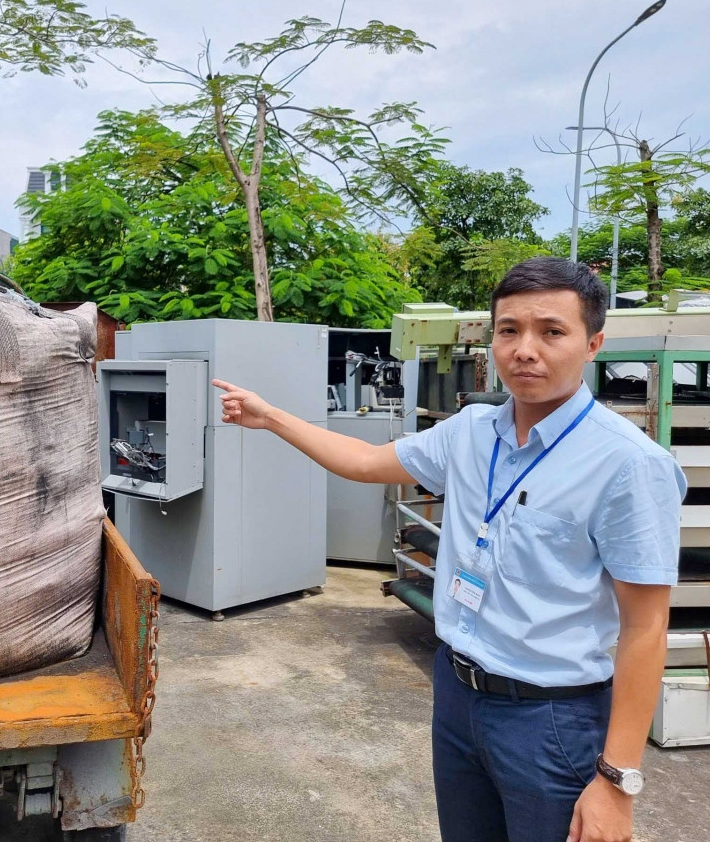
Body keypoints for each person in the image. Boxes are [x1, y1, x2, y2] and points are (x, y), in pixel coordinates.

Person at [212, 257, 684, 842]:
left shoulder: (629, 465)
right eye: (509, 330)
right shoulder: (471, 431)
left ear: (593, 344)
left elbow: (646, 626)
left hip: (550, 718)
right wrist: (271, 417)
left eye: (551, 331)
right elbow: (364, 463)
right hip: (458, 695)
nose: (525, 349)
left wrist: (616, 780)